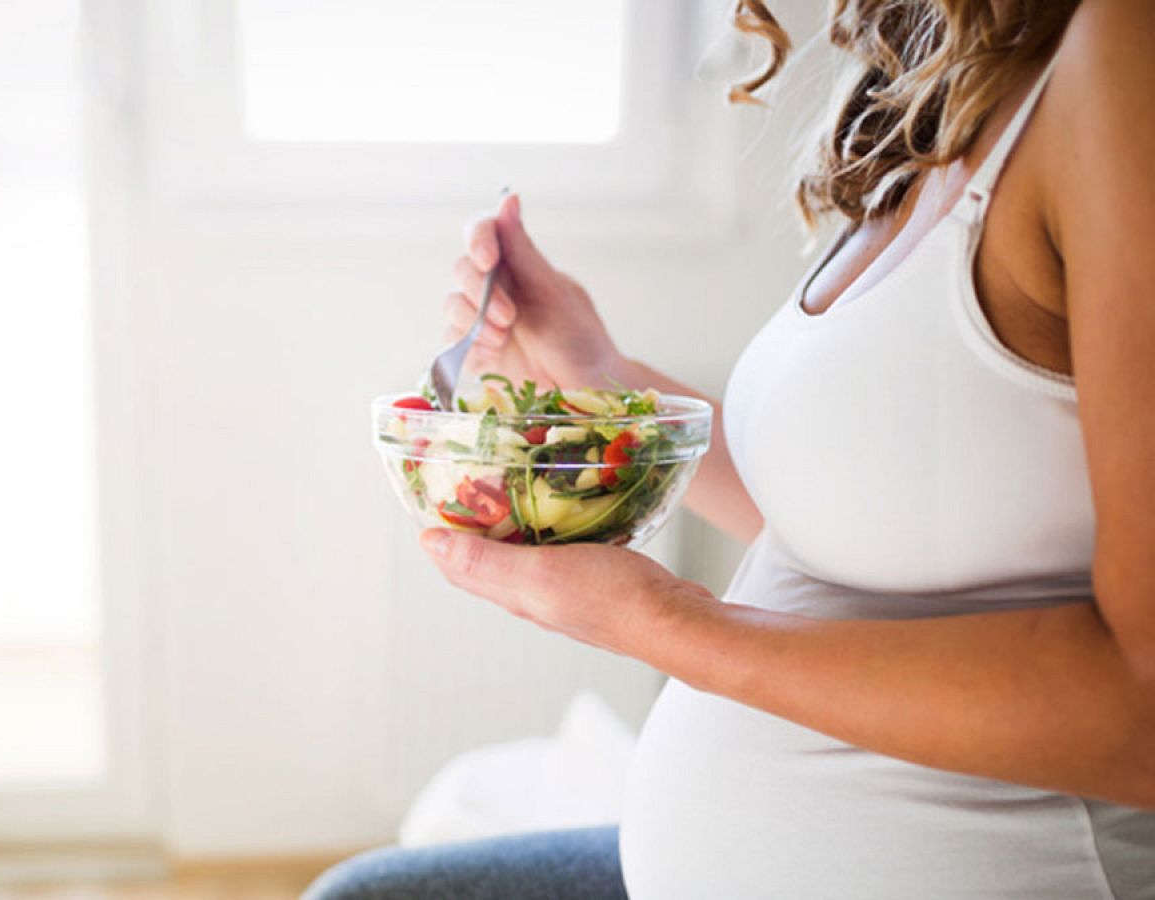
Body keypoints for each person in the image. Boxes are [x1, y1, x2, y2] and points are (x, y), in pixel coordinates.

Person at [307, 0, 1155, 897]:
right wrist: (596, 368)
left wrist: (666, 625)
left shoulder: (1121, 54)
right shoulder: (951, 78)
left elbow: (1143, 714)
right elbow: (864, 516)